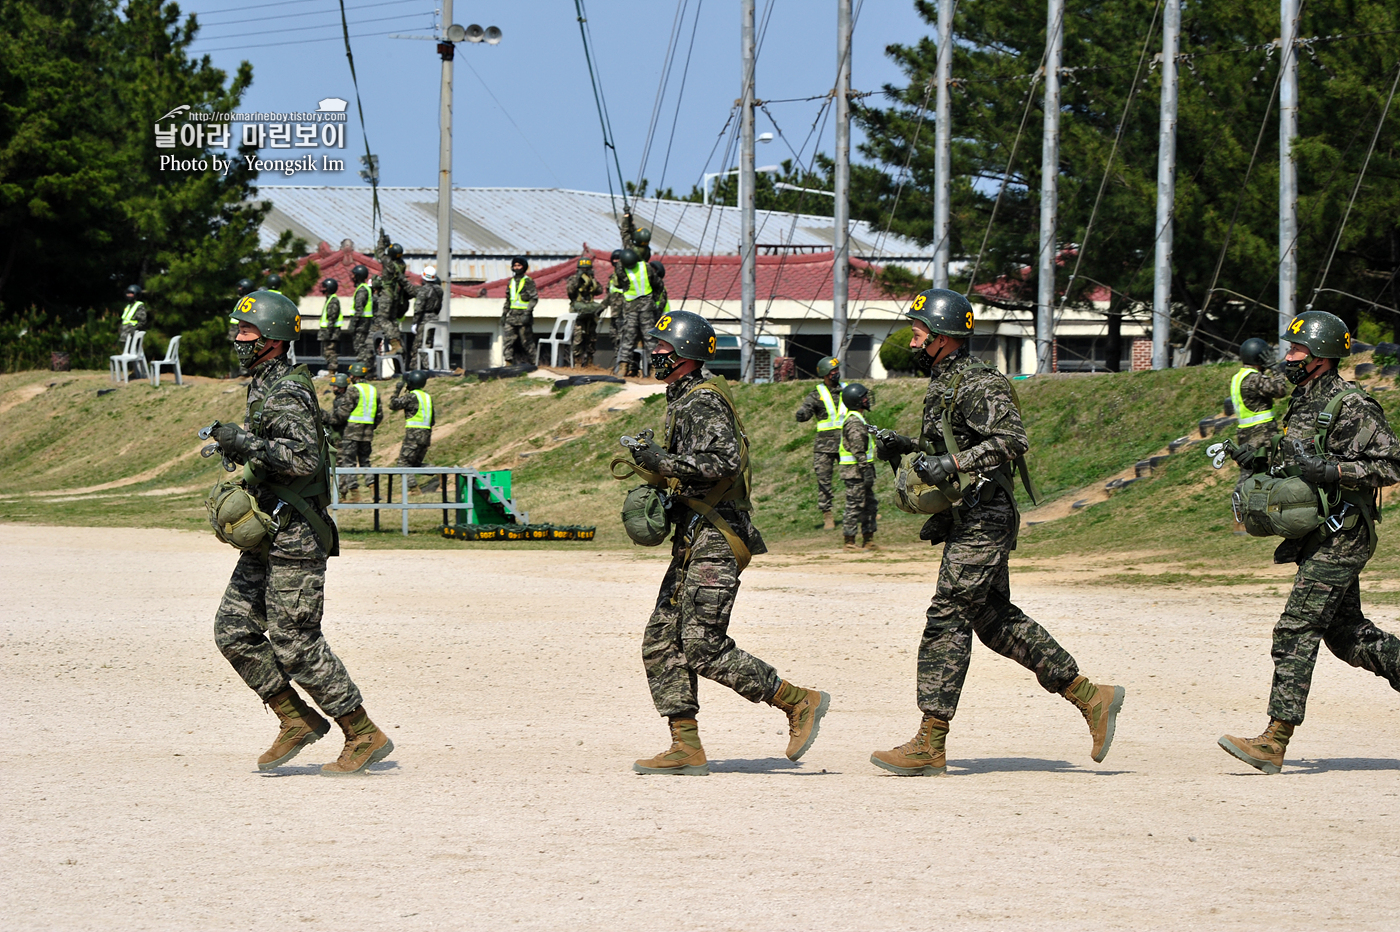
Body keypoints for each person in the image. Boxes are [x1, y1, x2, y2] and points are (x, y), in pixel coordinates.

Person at [868, 288, 1124, 776]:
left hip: (986, 516)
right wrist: (907, 447)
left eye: (920, 329)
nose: (913, 335)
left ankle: (930, 741)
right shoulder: (945, 380)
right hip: (969, 515)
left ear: (944, 337)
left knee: (947, 616)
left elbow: (1011, 440)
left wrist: (953, 461)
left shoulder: (980, 382)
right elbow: (951, 441)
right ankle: (1091, 697)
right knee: (992, 619)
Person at [627, 309, 830, 775]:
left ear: (684, 355)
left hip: (718, 535)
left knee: (700, 643)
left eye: (662, 348)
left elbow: (722, 461)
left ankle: (798, 701)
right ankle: (686, 746)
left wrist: (666, 462)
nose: (654, 354)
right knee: (661, 639)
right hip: (696, 533)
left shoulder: (702, 401)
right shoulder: (683, 398)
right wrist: (652, 464)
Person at [209, 290, 393, 776]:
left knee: (294, 639)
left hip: (297, 533)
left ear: (271, 339)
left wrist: (243, 440)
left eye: (246, 332)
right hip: (273, 529)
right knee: (233, 631)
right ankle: (295, 719)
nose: (238, 338)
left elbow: (303, 459)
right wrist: (239, 456)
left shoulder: (286, 390)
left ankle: (362, 732)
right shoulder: (264, 384)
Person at [1218, 310, 1400, 774]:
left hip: (1344, 534)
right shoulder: (1303, 398)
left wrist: (1336, 471)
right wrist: (1259, 456)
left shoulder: (1351, 403)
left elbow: (1393, 465)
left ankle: (1274, 740)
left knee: (1296, 627)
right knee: (1346, 636)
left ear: (1320, 356)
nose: (1288, 357)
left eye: (1297, 350)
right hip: (1317, 535)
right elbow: (1301, 456)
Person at [793, 356, 846, 530]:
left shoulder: (847, 390)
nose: (836, 373)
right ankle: (827, 515)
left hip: (847, 444)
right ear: (824, 374)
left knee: (856, 478)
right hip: (825, 447)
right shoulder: (816, 395)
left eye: (837, 370)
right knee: (824, 481)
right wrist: (801, 414)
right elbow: (806, 410)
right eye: (833, 371)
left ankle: (864, 508)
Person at [327, 363, 382, 501]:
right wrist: (370, 427)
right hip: (367, 434)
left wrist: (329, 419)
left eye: (351, 375)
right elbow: (379, 415)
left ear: (355, 376)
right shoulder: (374, 390)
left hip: (351, 433)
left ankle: (355, 494)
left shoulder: (352, 391)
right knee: (365, 462)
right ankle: (374, 491)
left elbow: (342, 414)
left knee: (348, 463)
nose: (350, 377)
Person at [838, 382, 878, 551]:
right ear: (856, 401)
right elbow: (857, 448)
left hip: (861, 470)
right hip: (855, 471)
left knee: (870, 505)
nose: (867, 400)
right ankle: (849, 541)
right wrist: (865, 468)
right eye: (864, 397)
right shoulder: (854, 422)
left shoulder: (859, 418)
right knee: (854, 505)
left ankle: (868, 539)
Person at [1231, 337, 1290, 452]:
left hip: (1245, 435)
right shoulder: (1254, 379)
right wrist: (1275, 368)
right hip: (1262, 435)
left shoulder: (1238, 377)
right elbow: (1280, 390)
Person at [389, 369, 434, 492]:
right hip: (426, 435)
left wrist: (398, 389)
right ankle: (437, 471)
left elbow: (393, 405)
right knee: (414, 465)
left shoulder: (411, 397)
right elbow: (432, 420)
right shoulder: (427, 397)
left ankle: (414, 489)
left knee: (403, 464)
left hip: (413, 436)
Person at [614, 248, 655, 377]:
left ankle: (655, 368)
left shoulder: (643, 267)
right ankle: (623, 366)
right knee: (629, 337)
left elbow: (654, 282)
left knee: (649, 338)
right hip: (633, 307)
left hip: (644, 307)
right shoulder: (630, 268)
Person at [566, 257, 605, 368]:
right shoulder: (573, 279)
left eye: (587, 268)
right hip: (578, 312)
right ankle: (577, 362)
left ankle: (589, 361)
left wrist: (592, 281)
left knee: (592, 337)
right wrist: (578, 281)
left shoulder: (591, 280)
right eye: (582, 268)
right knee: (578, 338)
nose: (585, 270)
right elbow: (570, 292)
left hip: (590, 311)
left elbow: (599, 290)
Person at [406, 264, 444, 371]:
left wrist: (415, 323)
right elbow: (439, 306)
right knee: (429, 343)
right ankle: (430, 366)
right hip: (434, 318)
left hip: (424, 319)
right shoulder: (439, 290)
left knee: (417, 346)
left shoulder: (423, 290)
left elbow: (418, 308)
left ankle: (415, 370)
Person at [501, 256, 537, 366]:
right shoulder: (510, 282)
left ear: (524, 267)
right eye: (515, 265)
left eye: (519, 265)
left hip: (524, 316)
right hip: (512, 315)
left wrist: (527, 313)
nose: (517, 268)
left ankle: (534, 362)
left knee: (526, 341)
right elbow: (508, 299)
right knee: (508, 340)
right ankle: (508, 362)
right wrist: (504, 314)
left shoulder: (528, 281)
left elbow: (534, 298)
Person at [376, 239, 408, 357]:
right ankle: (399, 345)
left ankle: (395, 344)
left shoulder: (388, 262)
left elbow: (379, 253)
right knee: (393, 321)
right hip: (396, 295)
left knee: (383, 319)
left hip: (387, 293)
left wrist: (381, 241)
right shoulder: (401, 264)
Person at [316, 277, 342, 377]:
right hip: (327, 331)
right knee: (326, 351)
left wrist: (328, 331)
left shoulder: (333, 300)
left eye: (325, 287)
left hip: (331, 332)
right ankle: (331, 369)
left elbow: (332, 317)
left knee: (330, 351)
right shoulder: (330, 299)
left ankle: (332, 370)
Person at [350, 265, 374, 368]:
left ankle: (363, 368)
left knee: (360, 346)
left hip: (361, 323)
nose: (353, 277)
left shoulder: (362, 290)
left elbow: (359, 309)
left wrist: (353, 324)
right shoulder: (364, 288)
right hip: (364, 322)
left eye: (355, 275)